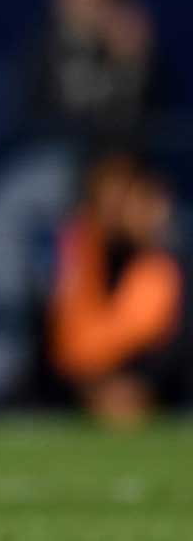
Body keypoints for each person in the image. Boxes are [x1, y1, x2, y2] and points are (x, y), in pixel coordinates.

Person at [44, 150, 185, 422]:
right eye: (104, 193)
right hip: (78, 397)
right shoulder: (80, 251)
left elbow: (168, 346)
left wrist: (142, 387)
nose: (114, 205)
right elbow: (66, 342)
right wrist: (94, 390)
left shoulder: (164, 264)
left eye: (124, 192)